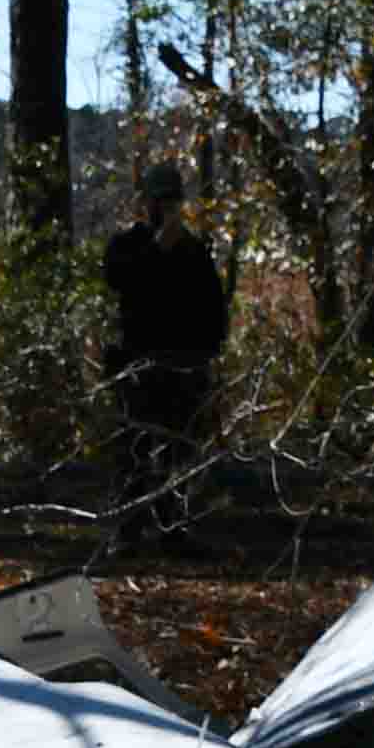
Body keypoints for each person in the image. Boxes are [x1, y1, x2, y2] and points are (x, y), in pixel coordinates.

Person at [101, 161, 229, 557]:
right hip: (139, 369)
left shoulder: (194, 251)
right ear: (146, 203)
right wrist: (158, 250)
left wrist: (207, 360)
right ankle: (127, 532)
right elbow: (121, 281)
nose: (166, 208)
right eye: (160, 200)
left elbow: (213, 310)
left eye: (172, 200)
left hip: (183, 369)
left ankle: (173, 530)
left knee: (180, 456)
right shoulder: (127, 245)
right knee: (135, 453)